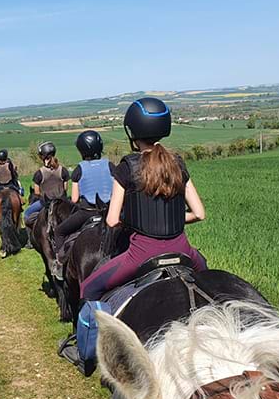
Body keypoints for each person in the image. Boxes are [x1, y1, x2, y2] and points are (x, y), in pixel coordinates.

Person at [80, 97, 207, 300]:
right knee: (207, 280)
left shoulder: (127, 167)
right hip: (183, 249)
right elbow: (199, 213)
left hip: (141, 254)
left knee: (88, 288)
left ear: (132, 131)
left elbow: (112, 220)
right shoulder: (177, 163)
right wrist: (169, 220)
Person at [51, 130, 114, 279]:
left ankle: (60, 264)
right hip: (109, 211)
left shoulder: (79, 169)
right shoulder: (110, 165)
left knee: (59, 231)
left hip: (87, 212)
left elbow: (74, 199)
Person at [23, 141, 69, 226]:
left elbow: (36, 192)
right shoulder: (63, 170)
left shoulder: (39, 173)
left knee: (27, 214)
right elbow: (65, 188)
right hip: (62, 201)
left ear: (42, 157)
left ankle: (32, 237)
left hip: (45, 203)